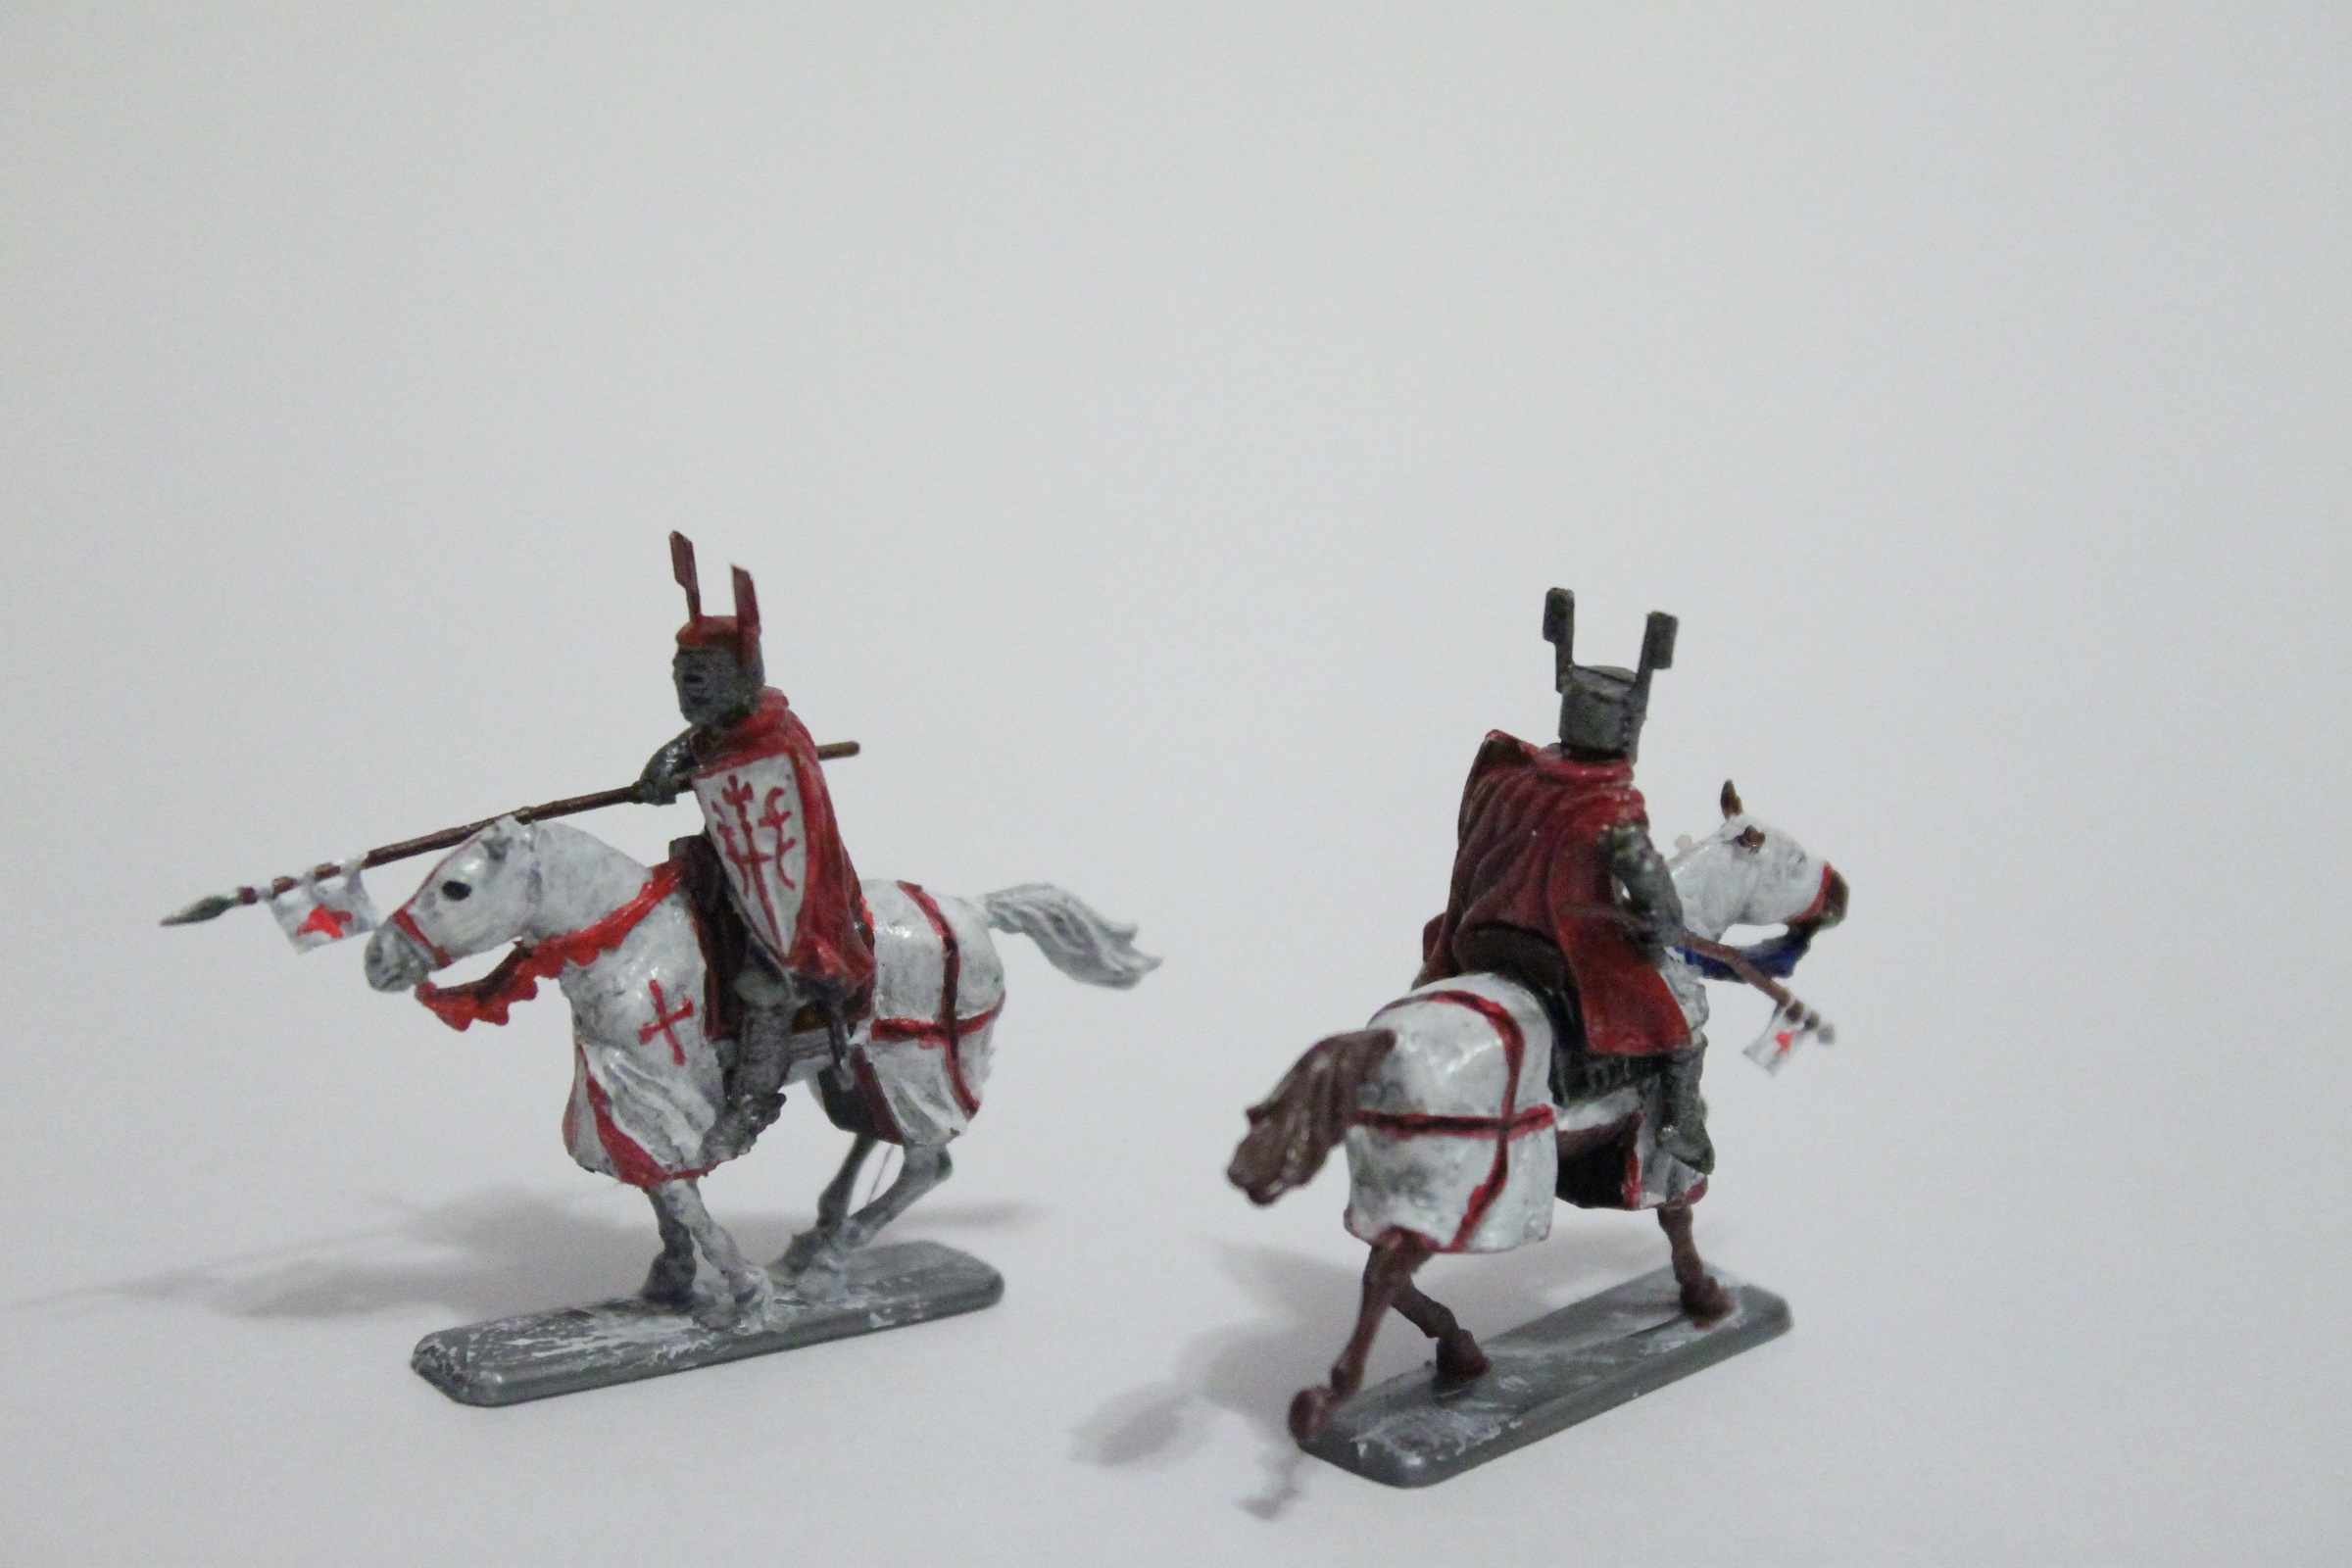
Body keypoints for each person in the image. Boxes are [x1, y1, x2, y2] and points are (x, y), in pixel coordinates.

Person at [1416, 590, 1711, 1175]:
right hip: (1555, 956)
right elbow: (1653, 893)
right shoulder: (1612, 806)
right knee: (1678, 1035)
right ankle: (1677, 1124)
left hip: (1479, 939)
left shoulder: (1510, 776)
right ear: (1627, 729)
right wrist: (1660, 928)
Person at [635, 532, 874, 1162]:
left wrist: (699, 772)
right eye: (683, 676)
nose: (691, 689)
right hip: (727, 870)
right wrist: (672, 758)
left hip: (797, 897)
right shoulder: (719, 735)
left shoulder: (776, 742)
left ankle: (752, 1103)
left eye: (706, 677)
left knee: (767, 983)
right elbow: (704, 750)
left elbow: (783, 839)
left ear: (743, 675)